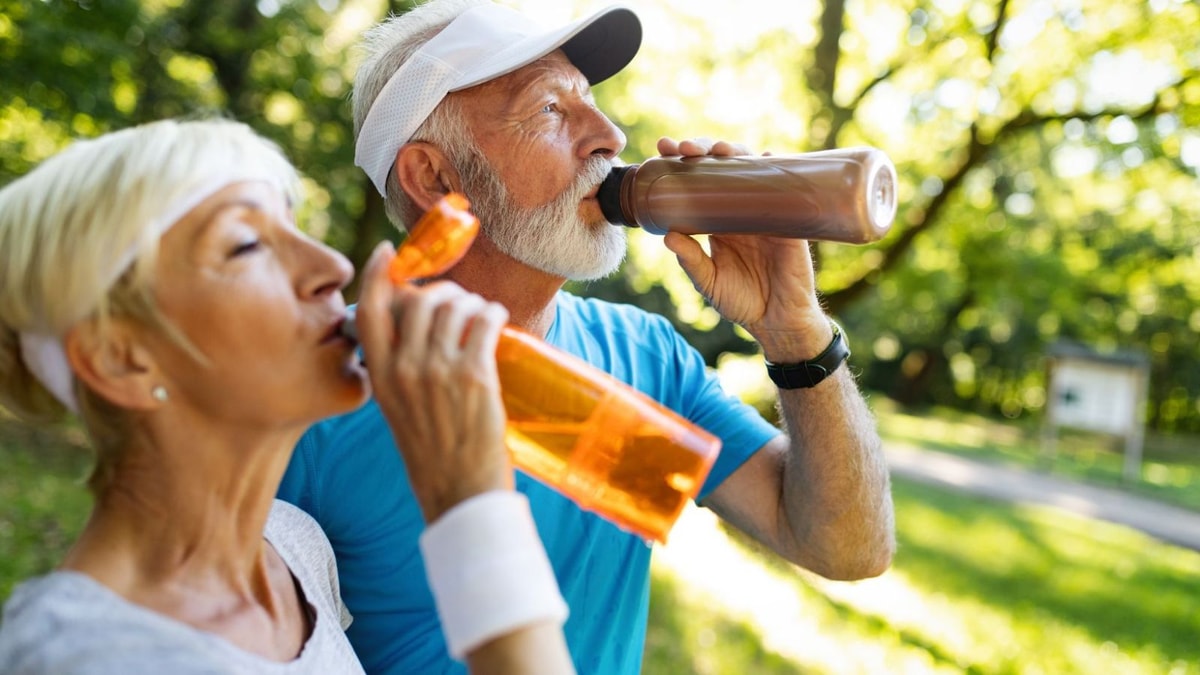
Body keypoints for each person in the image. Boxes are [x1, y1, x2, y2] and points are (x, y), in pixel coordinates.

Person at [279, 0, 897, 672]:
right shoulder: (307, 398)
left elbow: (845, 548)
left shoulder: (646, 356)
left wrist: (795, 330)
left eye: (592, 103)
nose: (611, 135)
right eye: (549, 108)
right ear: (433, 177)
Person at [0, 118, 576, 674]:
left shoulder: (294, 549)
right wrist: (469, 503)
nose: (333, 268)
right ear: (120, 358)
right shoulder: (81, 653)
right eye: (247, 245)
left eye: (294, 229)